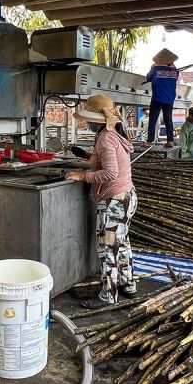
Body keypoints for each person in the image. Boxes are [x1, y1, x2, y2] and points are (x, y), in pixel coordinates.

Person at [66, 95, 137, 309]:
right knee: (121, 243)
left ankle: (108, 295)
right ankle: (128, 284)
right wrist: (86, 155)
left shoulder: (105, 137)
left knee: (107, 248)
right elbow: (108, 160)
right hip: (127, 197)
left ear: (95, 119)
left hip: (114, 203)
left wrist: (82, 176)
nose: (86, 122)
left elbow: (110, 172)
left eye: (88, 118)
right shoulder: (113, 134)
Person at [141, 48, 180, 149]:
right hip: (170, 99)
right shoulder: (175, 70)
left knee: (153, 119)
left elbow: (148, 78)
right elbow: (175, 78)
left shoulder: (155, 68)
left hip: (157, 98)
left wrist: (153, 70)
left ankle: (149, 141)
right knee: (168, 119)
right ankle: (170, 141)